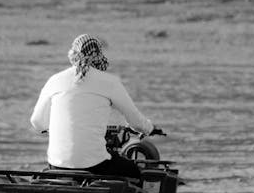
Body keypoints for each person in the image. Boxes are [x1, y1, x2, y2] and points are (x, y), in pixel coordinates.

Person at [30, 34, 159, 180]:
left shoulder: (55, 80)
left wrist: (56, 129)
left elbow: (36, 122)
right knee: (134, 172)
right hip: (95, 165)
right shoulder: (109, 82)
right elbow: (136, 121)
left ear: (73, 54)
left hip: (56, 165)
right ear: (99, 54)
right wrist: (149, 128)